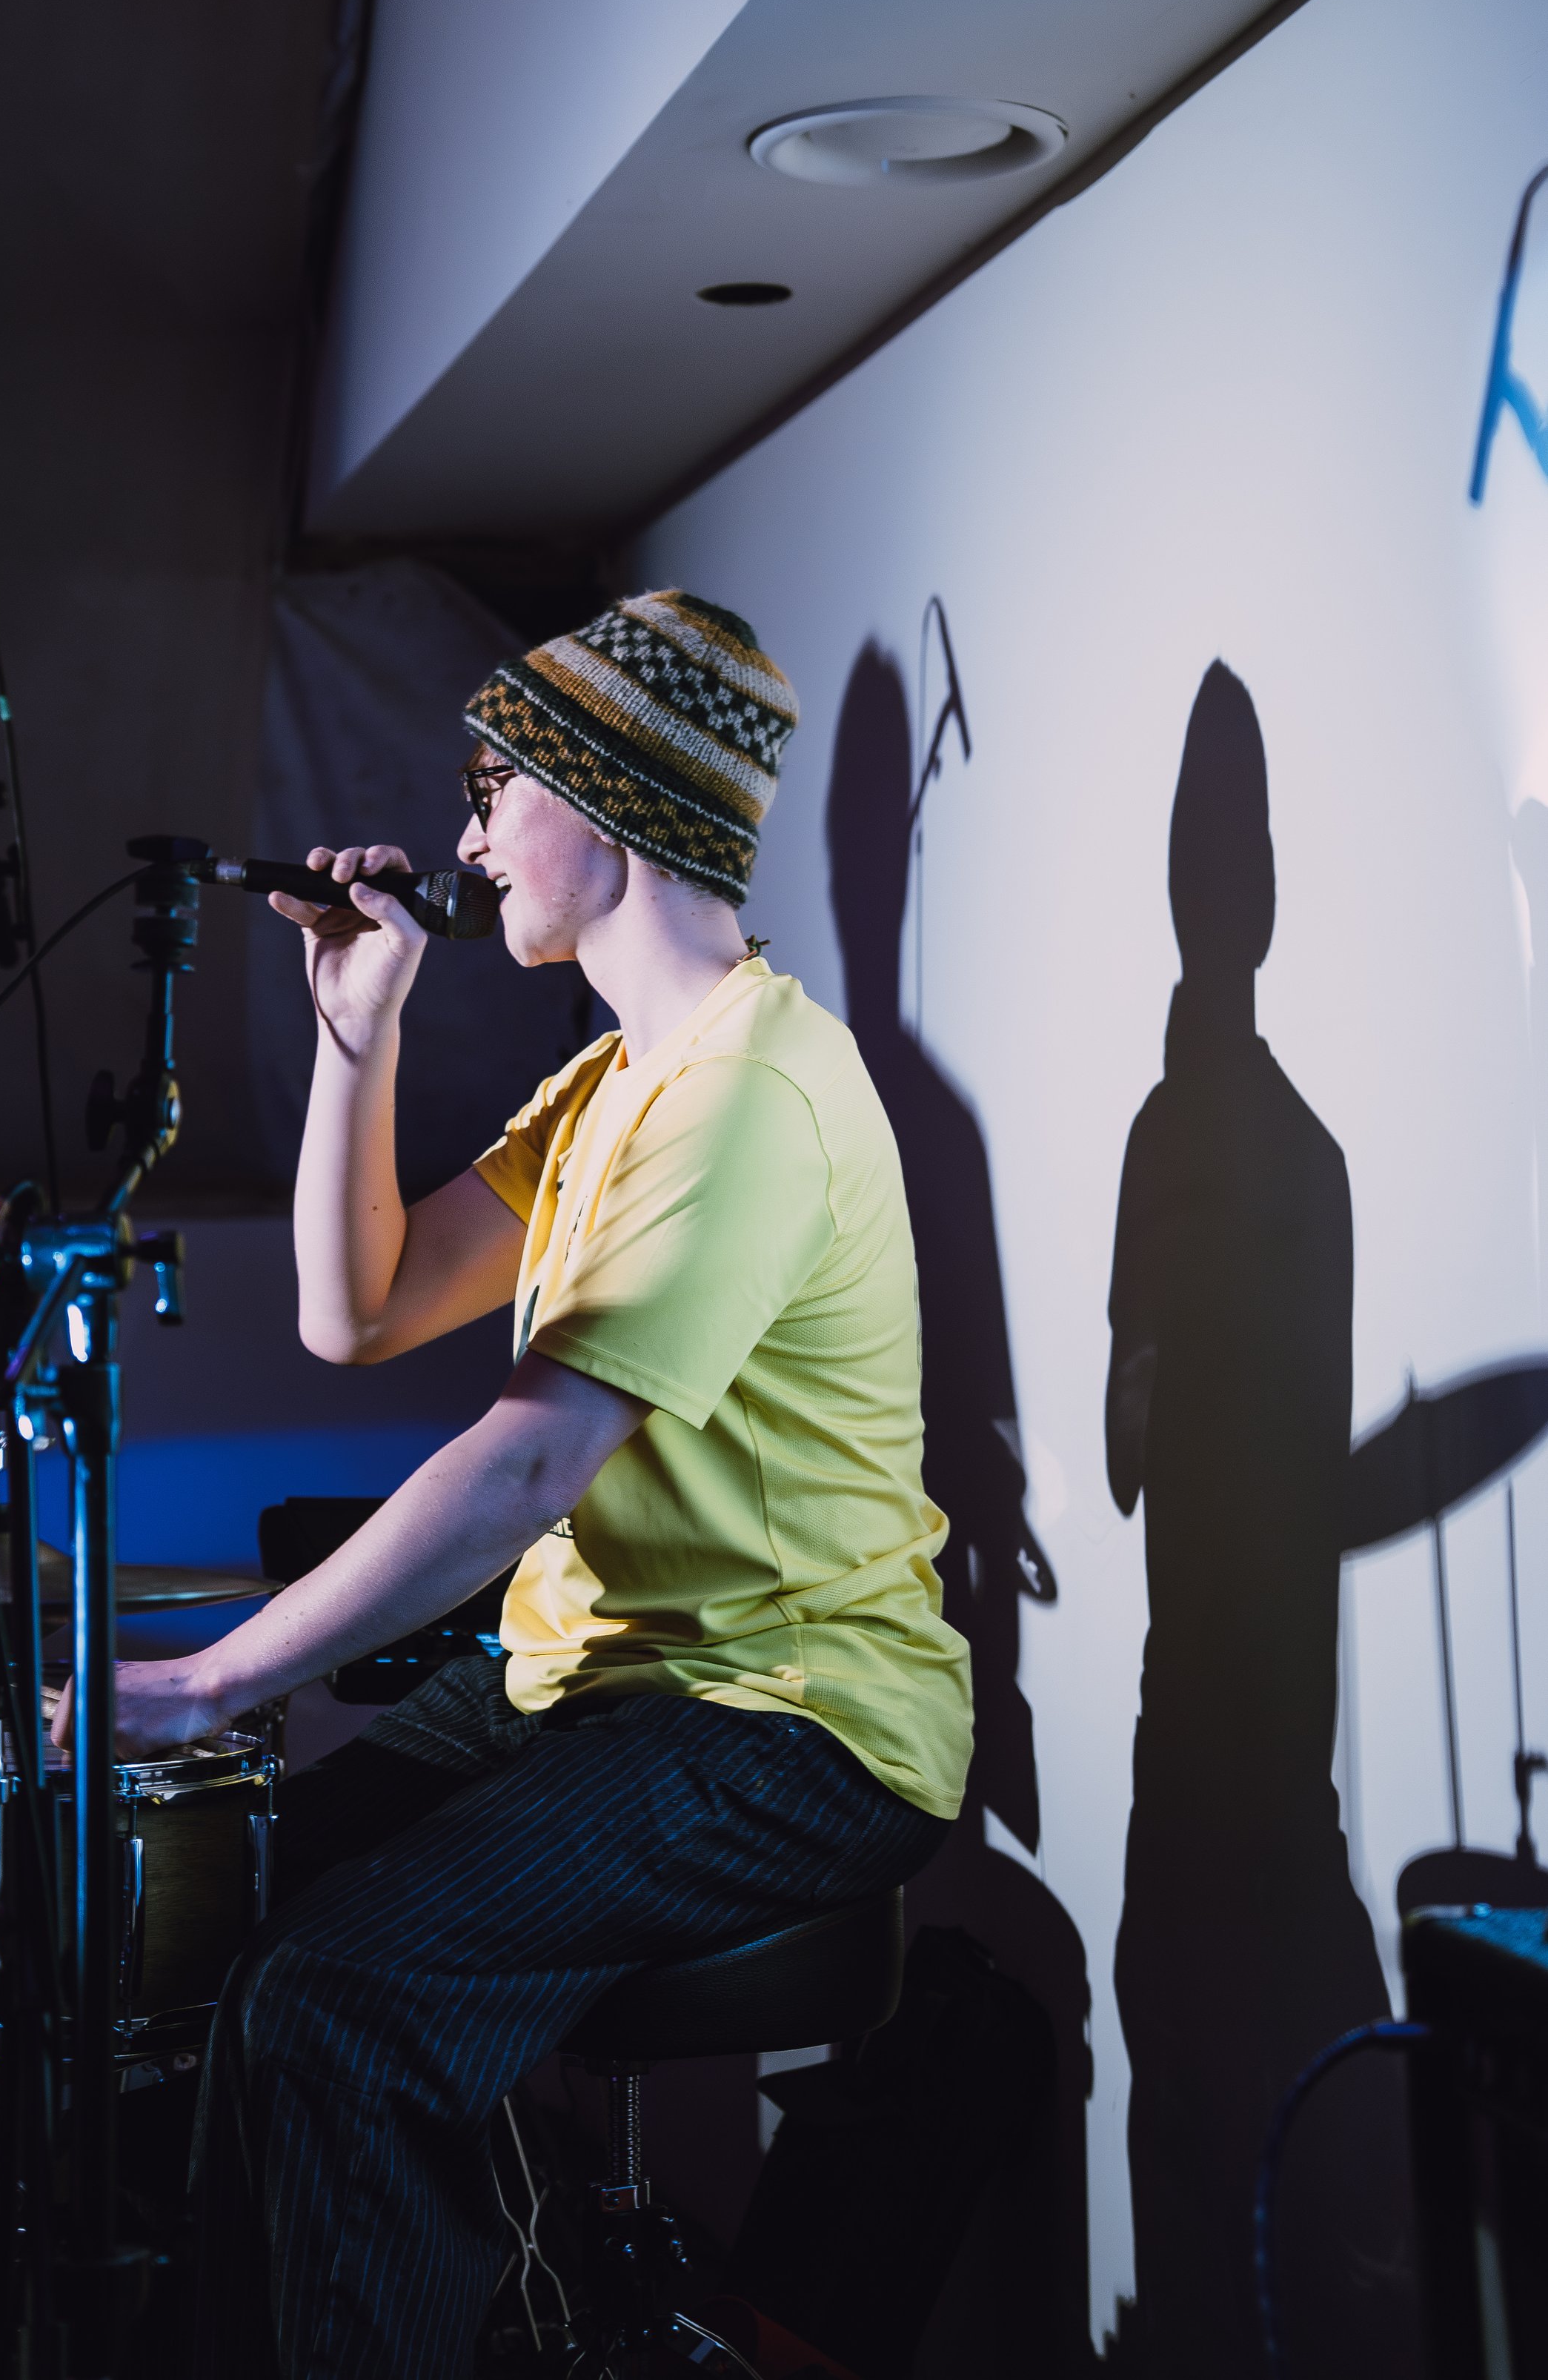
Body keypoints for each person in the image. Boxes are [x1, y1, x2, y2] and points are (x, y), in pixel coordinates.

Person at [61, 590, 974, 2380]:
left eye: (497, 784)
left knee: (339, 2001)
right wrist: (358, 1022)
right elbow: (360, 1311)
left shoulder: (746, 1095)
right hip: (598, 1686)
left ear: (612, 806)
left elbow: (534, 1455)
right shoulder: (609, 1086)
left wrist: (213, 1677)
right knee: (217, 1926)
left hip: (785, 1718)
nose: (467, 832)